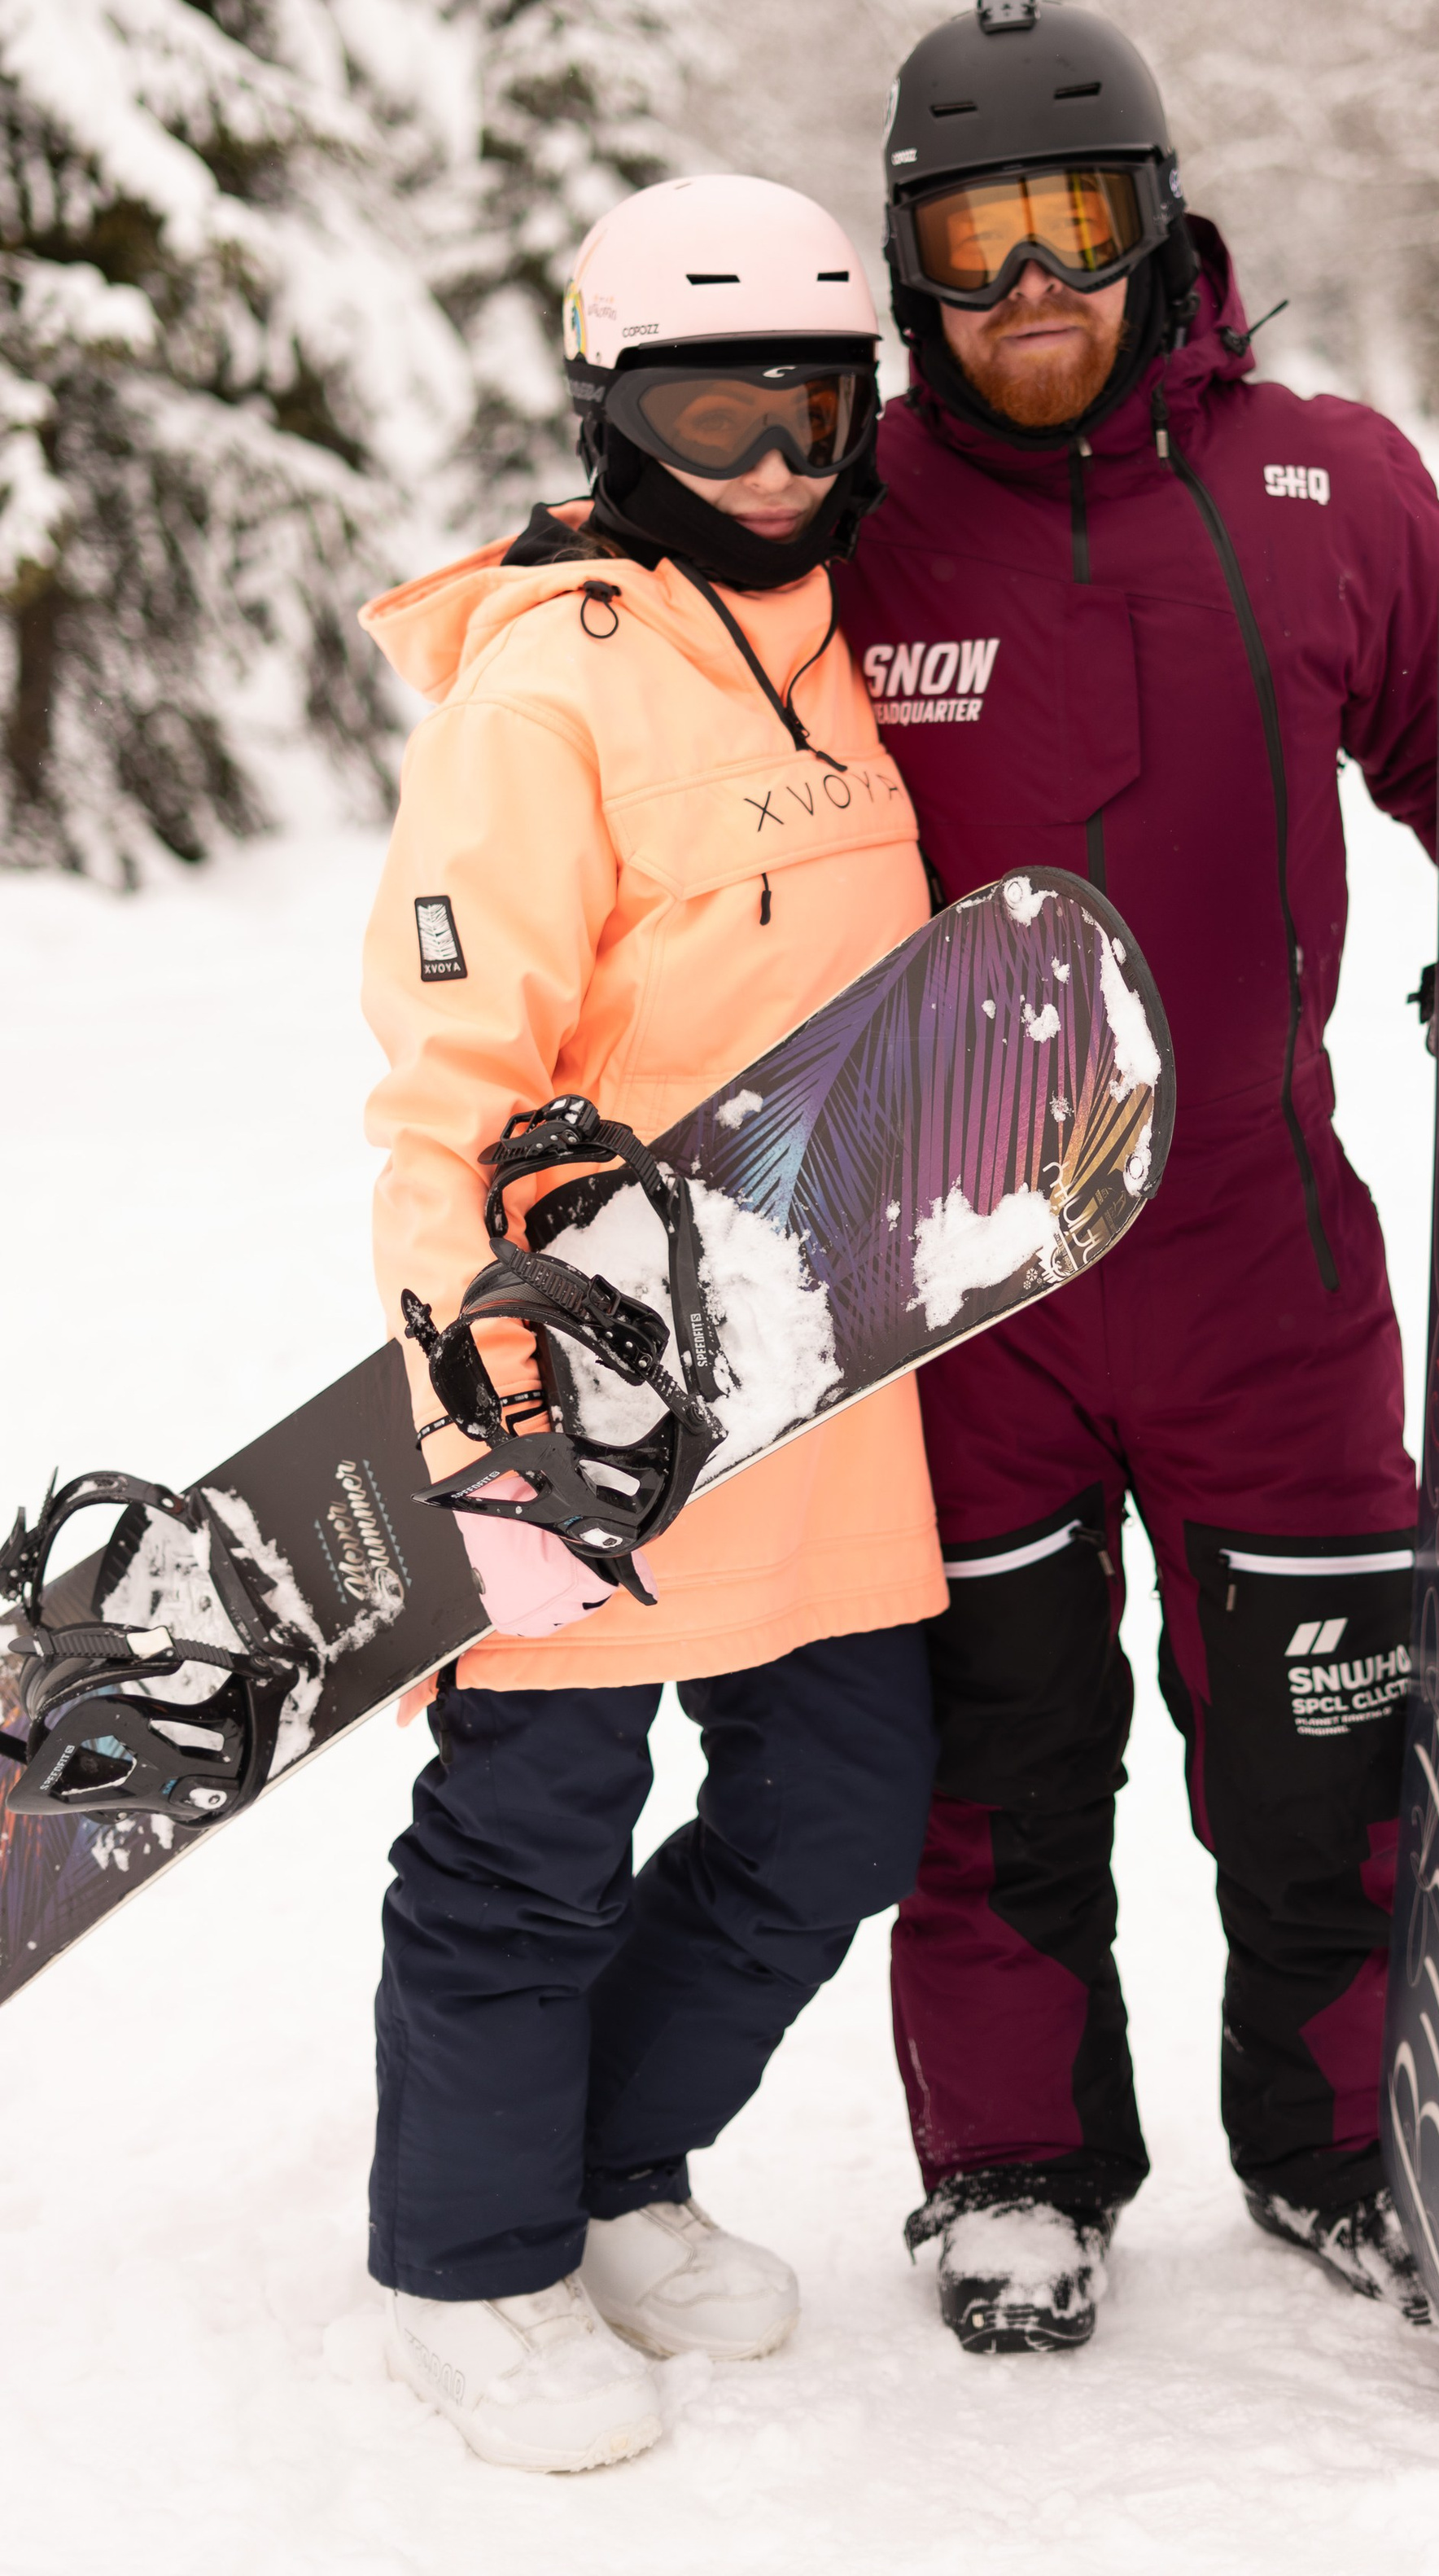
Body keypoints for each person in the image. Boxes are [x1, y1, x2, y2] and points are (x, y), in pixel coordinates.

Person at [836, 0, 1439, 2353]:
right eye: (972, 243)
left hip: (1259, 1261)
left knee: (1327, 1750)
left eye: (1075, 225)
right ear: (911, 267)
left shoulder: (1328, 485)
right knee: (996, 1766)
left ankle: (1338, 2146)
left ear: (1160, 220)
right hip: (952, 1276)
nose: (1029, 290)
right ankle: (1011, 2165)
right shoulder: (851, 521)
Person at [358, 174, 945, 2469]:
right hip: (585, 1382)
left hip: (824, 1367)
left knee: (843, 1807)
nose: (776, 466)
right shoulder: (546, 690)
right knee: (537, 1830)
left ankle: (609, 2171)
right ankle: (470, 2263)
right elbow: (444, 1094)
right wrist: (490, 1419)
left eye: (813, 412)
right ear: (614, 418)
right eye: (718, 418)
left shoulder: (840, 645)